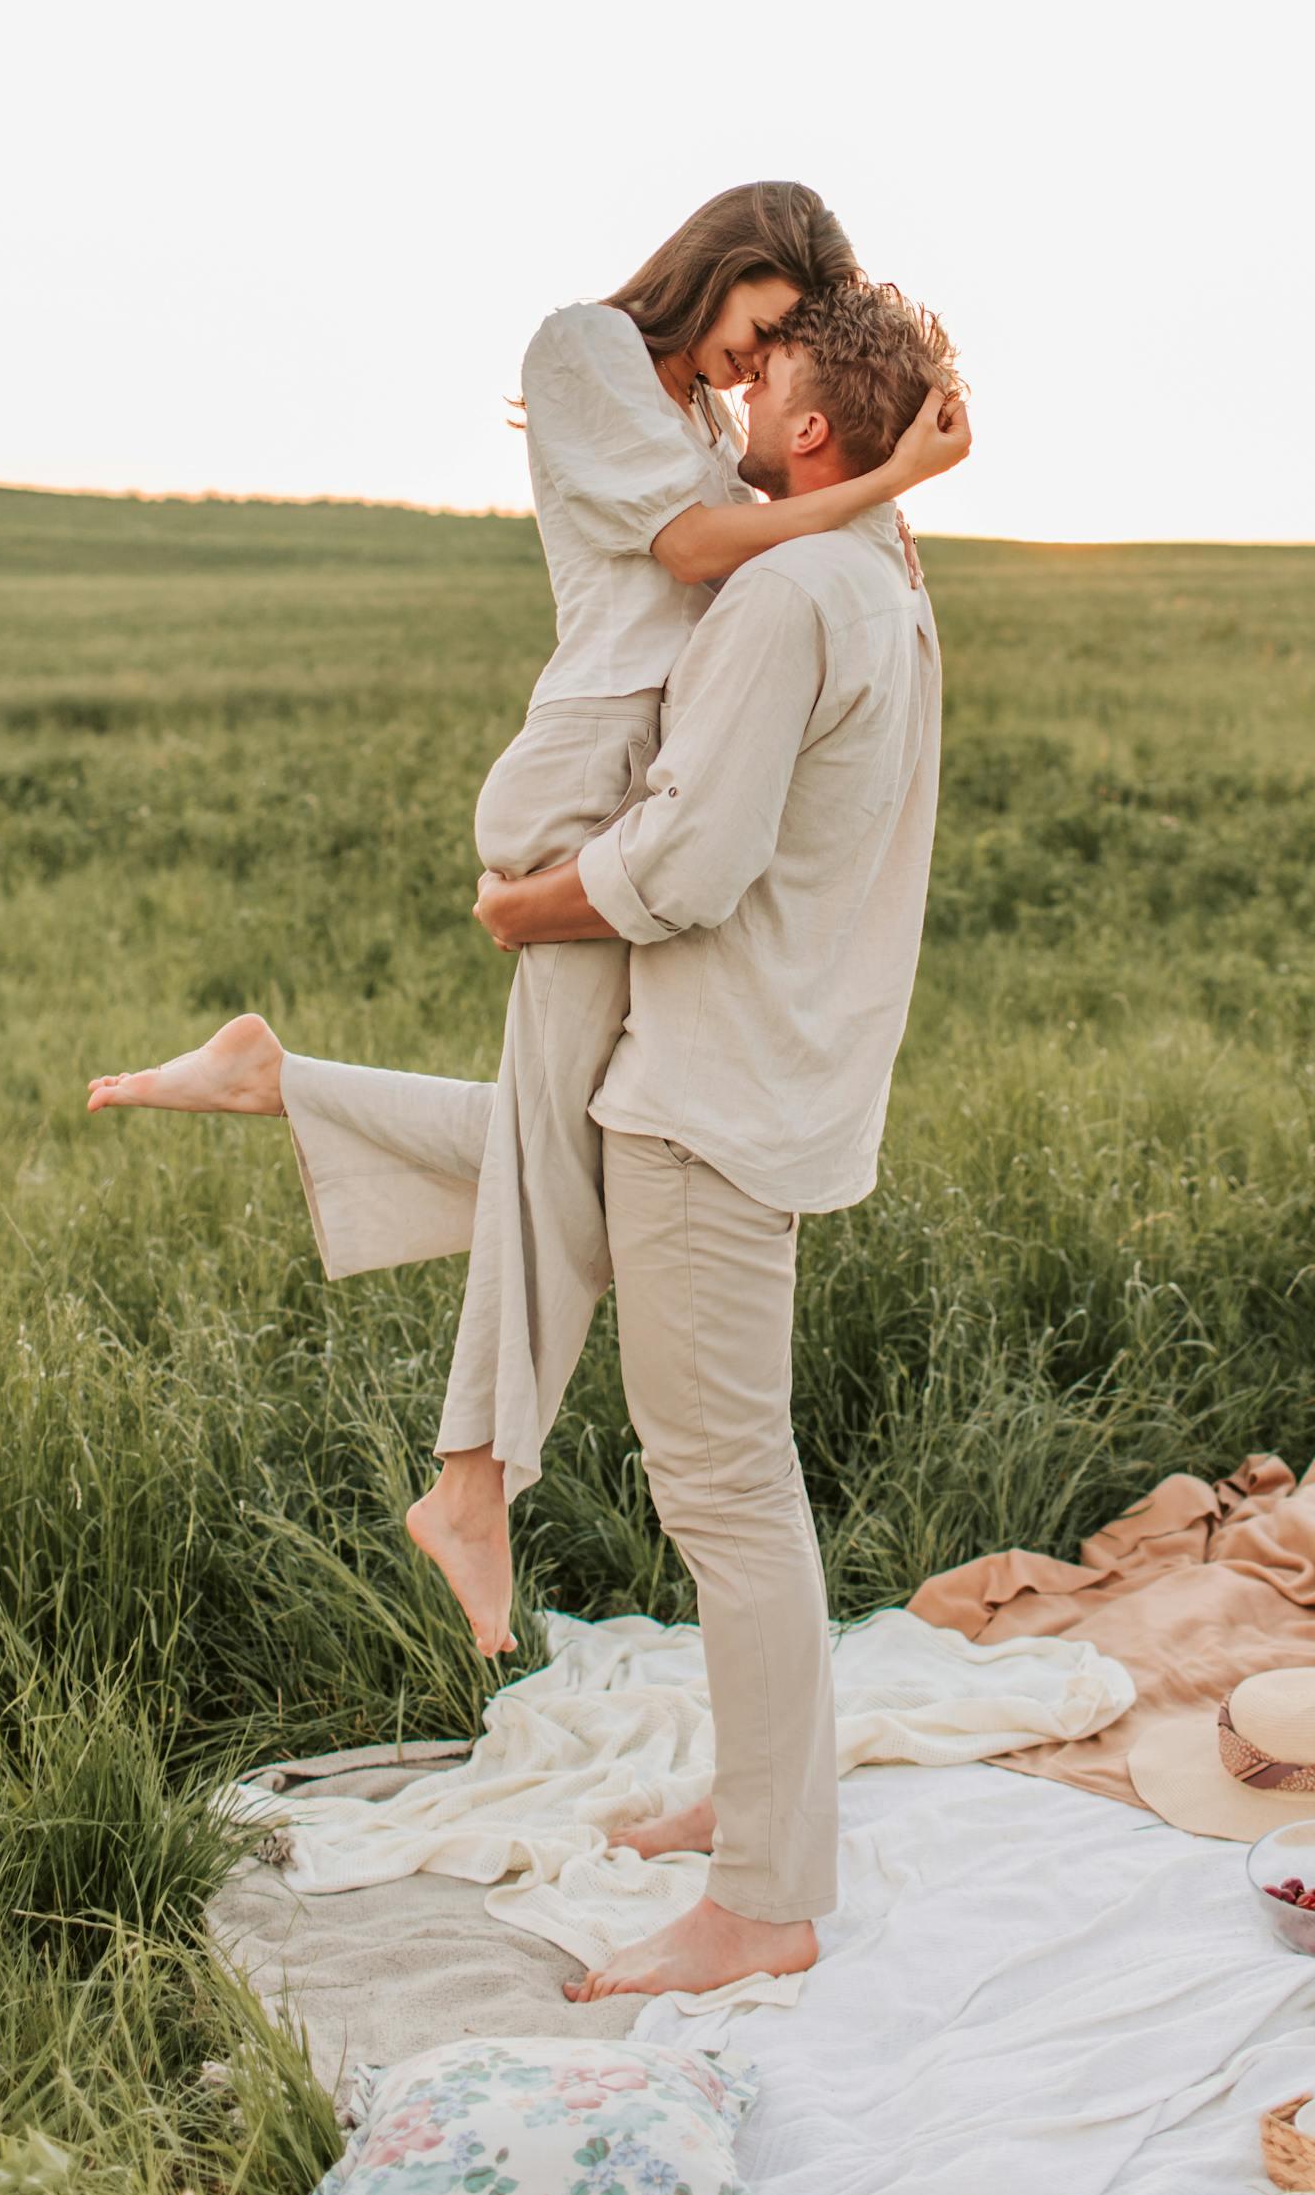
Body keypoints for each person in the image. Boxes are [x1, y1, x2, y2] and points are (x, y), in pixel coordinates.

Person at [89, 279, 956, 2002]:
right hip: (761, 1071)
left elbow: (685, 866)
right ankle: (290, 1085)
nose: (722, 402)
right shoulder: (889, 588)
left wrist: (532, 906)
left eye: (755, 378)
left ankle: (768, 1899)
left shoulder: (789, 592)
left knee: (729, 1489)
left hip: (716, 1081)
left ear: (802, 427)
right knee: (549, 1176)